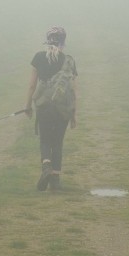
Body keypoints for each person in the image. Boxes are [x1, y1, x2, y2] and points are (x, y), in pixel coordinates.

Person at [24, 27, 78, 191]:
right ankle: (55, 182)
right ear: (63, 41)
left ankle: (46, 166)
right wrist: (74, 114)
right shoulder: (69, 61)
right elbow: (73, 90)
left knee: (45, 140)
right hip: (62, 107)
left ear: (47, 40)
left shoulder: (39, 57)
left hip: (44, 105)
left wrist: (27, 106)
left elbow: (32, 85)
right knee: (58, 143)